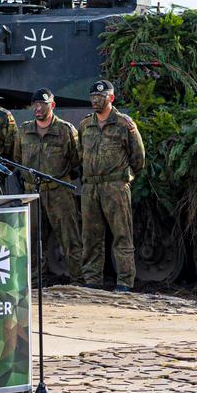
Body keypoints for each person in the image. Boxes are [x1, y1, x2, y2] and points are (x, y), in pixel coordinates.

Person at [77, 80, 144, 292]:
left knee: (122, 234)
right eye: (93, 98)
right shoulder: (85, 125)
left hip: (115, 185)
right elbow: (80, 153)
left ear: (111, 98)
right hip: (90, 187)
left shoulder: (124, 124)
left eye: (101, 97)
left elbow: (139, 158)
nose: (96, 101)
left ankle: (124, 281)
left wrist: (124, 177)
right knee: (90, 236)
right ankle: (92, 280)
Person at [14, 88, 84, 284]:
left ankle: (78, 279)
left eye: (42, 105)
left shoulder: (65, 130)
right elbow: (18, 158)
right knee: (32, 238)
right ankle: (36, 279)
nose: (38, 108)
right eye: (35, 105)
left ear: (52, 105)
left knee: (70, 237)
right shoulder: (24, 130)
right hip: (32, 192)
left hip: (58, 192)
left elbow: (76, 160)